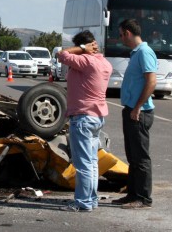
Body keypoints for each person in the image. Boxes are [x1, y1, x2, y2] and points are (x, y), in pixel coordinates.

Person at [57, 30, 112, 212]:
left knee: (83, 164)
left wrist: (81, 49)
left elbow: (61, 54)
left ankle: (83, 202)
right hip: (96, 117)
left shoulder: (86, 61)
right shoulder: (104, 63)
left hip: (82, 118)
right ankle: (91, 199)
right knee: (92, 162)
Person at [113, 18, 157, 210]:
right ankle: (132, 193)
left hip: (139, 111)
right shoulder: (136, 53)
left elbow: (151, 81)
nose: (121, 38)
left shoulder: (145, 52)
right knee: (132, 156)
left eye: (121, 34)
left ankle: (143, 198)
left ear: (128, 33)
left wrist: (138, 106)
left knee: (141, 158)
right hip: (131, 109)